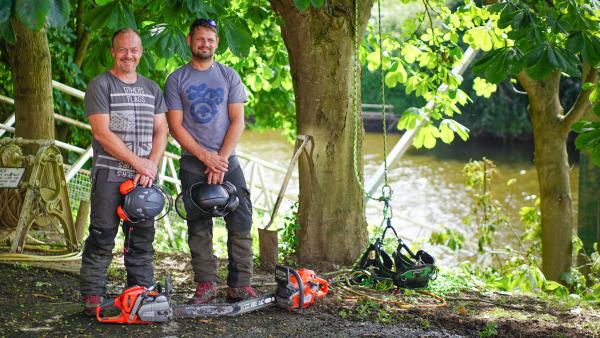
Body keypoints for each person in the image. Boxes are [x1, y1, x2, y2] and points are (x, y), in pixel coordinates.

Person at [165, 18, 255, 304]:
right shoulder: (176, 79)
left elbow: (238, 120)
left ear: (217, 44)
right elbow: (176, 127)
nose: (205, 44)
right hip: (194, 162)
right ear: (190, 41)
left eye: (211, 40)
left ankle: (240, 284)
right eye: (200, 39)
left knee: (241, 218)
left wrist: (221, 160)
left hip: (228, 161)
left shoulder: (229, 76)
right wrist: (206, 157)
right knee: (198, 224)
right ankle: (206, 285)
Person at [80, 28, 168, 315]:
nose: (128, 55)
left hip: (143, 180)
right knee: (102, 235)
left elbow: (161, 130)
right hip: (109, 176)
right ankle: (93, 296)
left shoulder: (152, 89)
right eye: (122, 49)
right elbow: (102, 133)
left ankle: (139, 295)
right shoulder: (100, 85)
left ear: (141, 53)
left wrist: (150, 167)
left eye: (134, 50)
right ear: (113, 51)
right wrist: (139, 163)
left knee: (141, 239)